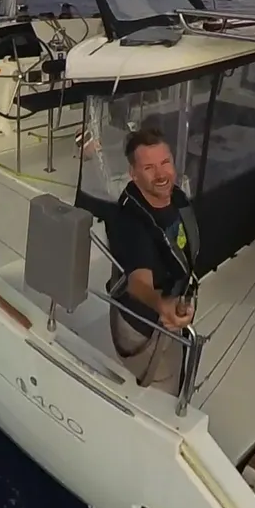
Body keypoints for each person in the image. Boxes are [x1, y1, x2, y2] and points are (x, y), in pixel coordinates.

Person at [105, 125, 199, 394]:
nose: (161, 174)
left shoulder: (176, 197)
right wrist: (163, 304)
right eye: (149, 168)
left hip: (172, 311)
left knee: (177, 369)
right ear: (133, 175)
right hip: (145, 325)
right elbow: (138, 283)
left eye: (165, 162)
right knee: (163, 393)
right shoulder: (129, 222)